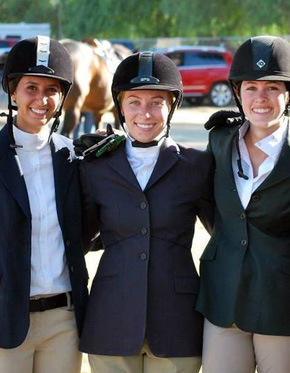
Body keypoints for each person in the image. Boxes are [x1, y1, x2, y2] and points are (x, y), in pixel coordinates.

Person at [76, 51, 214, 373]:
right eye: (134, 102)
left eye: (156, 102)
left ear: (172, 106)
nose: (145, 113)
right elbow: (80, 237)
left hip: (177, 320)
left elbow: (227, 232)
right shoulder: (96, 166)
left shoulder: (197, 165)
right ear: (120, 107)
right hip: (111, 317)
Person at [195, 36, 290, 373]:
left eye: (272, 88)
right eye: (251, 87)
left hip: (282, 301)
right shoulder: (219, 140)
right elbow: (211, 208)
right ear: (237, 93)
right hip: (223, 296)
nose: (261, 98)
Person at [0, 36, 88, 373]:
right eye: (31, 88)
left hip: (63, 322)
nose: (41, 99)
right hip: (8, 316)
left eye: (52, 90)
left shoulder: (73, 157)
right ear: (13, 91)